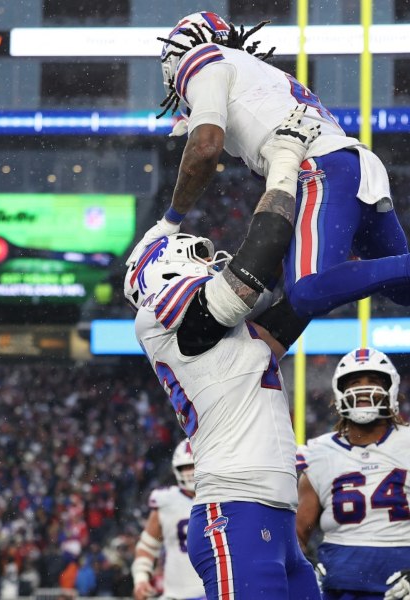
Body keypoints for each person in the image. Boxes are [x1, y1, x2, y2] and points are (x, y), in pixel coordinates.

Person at [127, 10, 410, 338]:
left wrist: (171, 220)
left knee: (306, 292)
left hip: (319, 170)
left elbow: (204, 148)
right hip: (354, 166)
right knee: (404, 292)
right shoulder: (261, 76)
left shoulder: (203, 62)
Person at [126, 112, 324, 599]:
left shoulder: (223, 337)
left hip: (269, 513)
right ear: (164, 267)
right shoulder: (160, 314)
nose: (207, 257)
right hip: (235, 509)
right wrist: (283, 158)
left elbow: (294, 293)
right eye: (193, 253)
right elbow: (261, 256)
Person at [296, 348, 410, 600]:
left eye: (374, 382)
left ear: (391, 390)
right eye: (355, 382)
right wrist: (306, 566)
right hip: (340, 587)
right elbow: (296, 533)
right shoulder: (319, 454)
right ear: (339, 393)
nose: (364, 389)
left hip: (407, 587)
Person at [132, 439, 205, 600]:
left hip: (216, 592)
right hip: (177, 594)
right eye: (185, 467)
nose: (191, 472)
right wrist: (141, 579)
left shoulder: (225, 498)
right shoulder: (167, 501)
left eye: (194, 465)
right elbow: (147, 547)